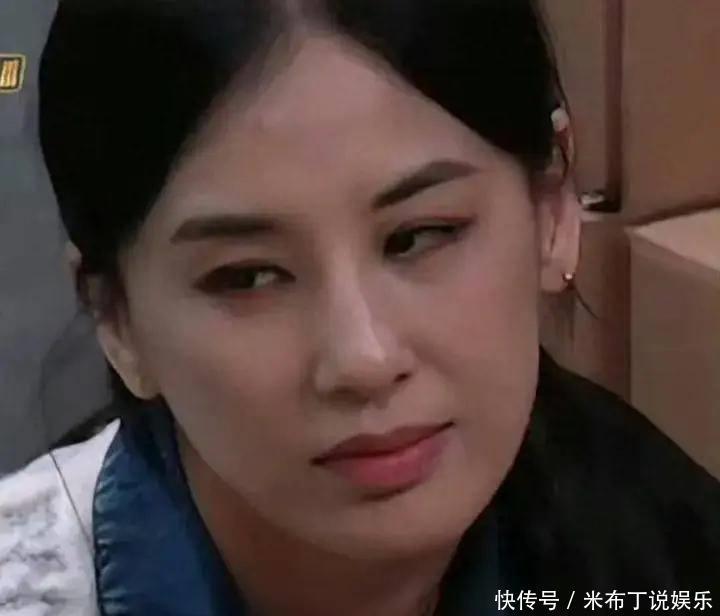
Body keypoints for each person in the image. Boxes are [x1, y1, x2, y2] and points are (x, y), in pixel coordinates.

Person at [1, 1, 718, 614]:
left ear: (552, 207)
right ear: (117, 320)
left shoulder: (664, 553)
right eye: (248, 277)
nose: (363, 359)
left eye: (419, 236)